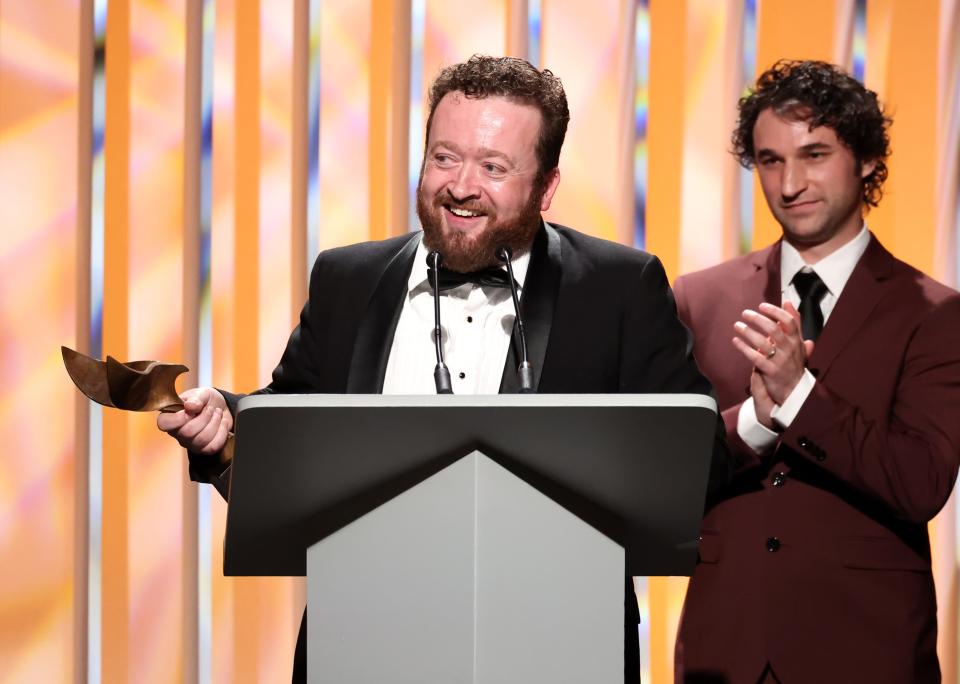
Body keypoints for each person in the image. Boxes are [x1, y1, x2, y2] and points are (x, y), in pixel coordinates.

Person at [158, 55, 724, 684]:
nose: (460, 185)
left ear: (546, 186)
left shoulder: (619, 287)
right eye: (444, 157)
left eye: (494, 167)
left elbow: (693, 461)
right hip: (363, 645)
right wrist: (225, 430)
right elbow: (294, 431)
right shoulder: (347, 278)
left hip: (558, 649)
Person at [673, 59, 960, 683]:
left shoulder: (933, 313)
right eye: (770, 160)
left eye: (814, 154)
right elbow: (665, 472)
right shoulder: (700, 299)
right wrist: (753, 420)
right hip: (727, 647)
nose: (790, 181)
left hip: (867, 647)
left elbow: (921, 481)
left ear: (864, 161)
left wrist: (800, 398)